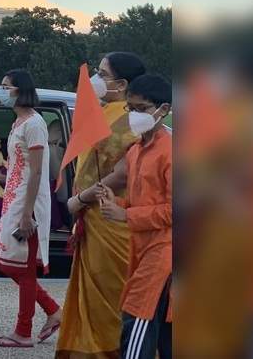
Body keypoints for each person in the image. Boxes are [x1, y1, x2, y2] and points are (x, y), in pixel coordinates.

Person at [55, 52, 146, 359]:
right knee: (95, 301)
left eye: (102, 74)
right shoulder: (103, 113)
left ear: (120, 84)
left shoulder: (129, 120)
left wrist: (79, 199)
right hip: (93, 220)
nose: (95, 79)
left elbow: (123, 175)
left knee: (112, 298)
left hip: (113, 220)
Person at [94, 74, 172, 359]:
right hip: (143, 247)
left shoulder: (171, 152)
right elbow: (145, 200)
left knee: (137, 320)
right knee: (165, 331)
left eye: (141, 108)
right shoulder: (136, 151)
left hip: (164, 251)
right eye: (131, 108)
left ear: (163, 110)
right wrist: (118, 203)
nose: (134, 115)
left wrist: (126, 215)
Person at [0, 69, 62, 348]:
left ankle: (24, 330)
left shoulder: (35, 124)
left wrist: (27, 213)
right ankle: (52, 311)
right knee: (10, 263)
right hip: (14, 201)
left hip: (26, 205)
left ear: (20, 90)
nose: (2, 90)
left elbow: (36, 172)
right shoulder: (18, 122)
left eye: (6, 86)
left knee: (22, 267)